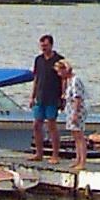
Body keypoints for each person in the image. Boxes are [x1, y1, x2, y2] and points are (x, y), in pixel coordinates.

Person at [29, 34, 65, 163]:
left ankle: (55, 155)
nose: (43, 48)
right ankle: (39, 153)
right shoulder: (38, 59)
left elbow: (63, 79)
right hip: (40, 96)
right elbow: (36, 78)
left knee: (51, 125)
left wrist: (63, 96)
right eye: (42, 46)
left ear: (51, 45)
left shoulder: (59, 59)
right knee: (37, 124)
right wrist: (32, 96)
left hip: (53, 97)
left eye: (46, 45)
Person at [54, 59, 88, 171]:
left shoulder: (75, 80)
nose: (59, 74)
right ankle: (78, 159)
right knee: (75, 135)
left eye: (59, 71)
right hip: (70, 110)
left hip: (77, 110)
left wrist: (75, 113)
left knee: (79, 136)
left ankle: (82, 161)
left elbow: (78, 97)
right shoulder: (69, 81)